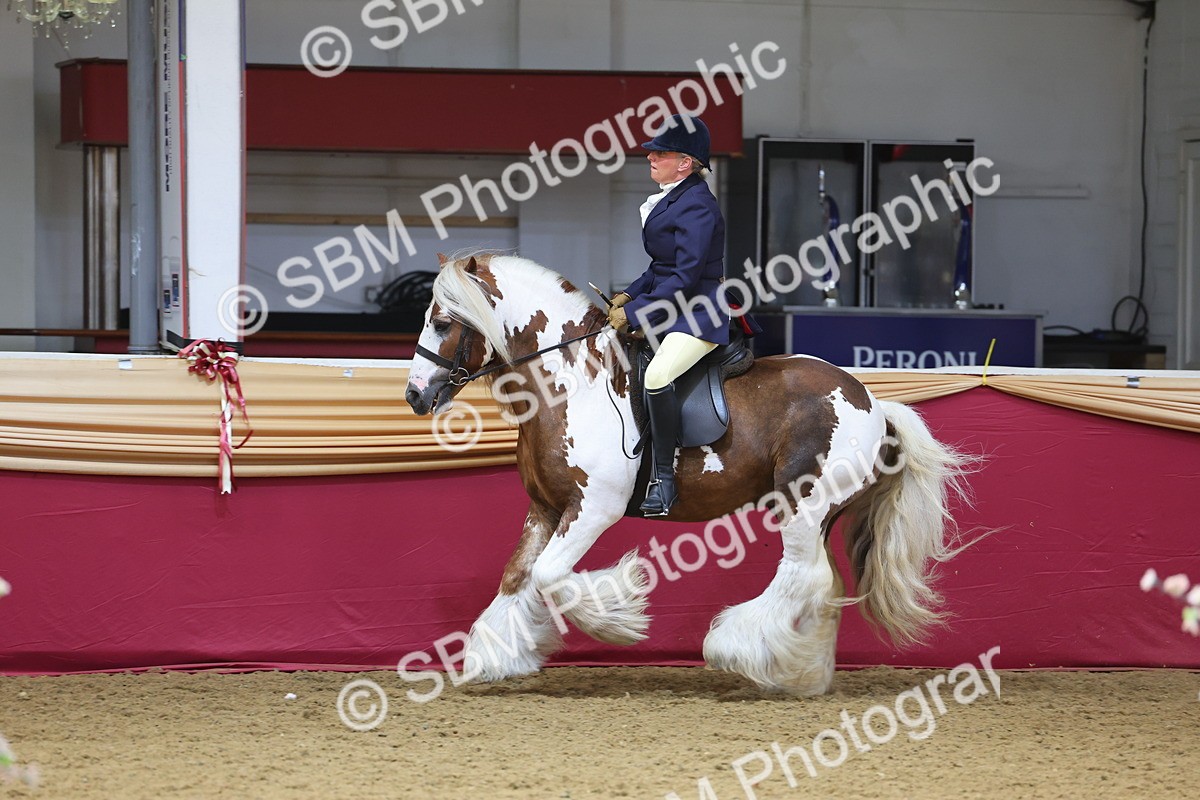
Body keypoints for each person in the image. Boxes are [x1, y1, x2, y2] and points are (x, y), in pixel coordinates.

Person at [606, 114, 729, 517]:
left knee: (658, 376)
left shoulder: (696, 205)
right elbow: (660, 268)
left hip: (699, 312)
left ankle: (664, 479)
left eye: (661, 153)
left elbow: (686, 275)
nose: (651, 158)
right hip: (676, 302)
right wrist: (629, 294)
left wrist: (637, 312)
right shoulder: (674, 198)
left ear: (686, 162)